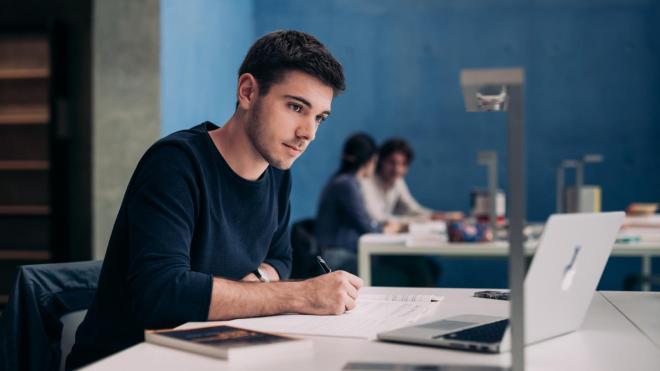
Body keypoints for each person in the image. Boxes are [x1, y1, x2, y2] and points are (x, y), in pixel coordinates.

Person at [67, 30, 363, 369]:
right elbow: (162, 293)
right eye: (296, 107)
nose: (308, 132)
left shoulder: (278, 171)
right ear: (248, 91)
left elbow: (281, 259)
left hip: (212, 352)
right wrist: (302, 294)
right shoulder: (176, 163)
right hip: (132, 360)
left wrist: (244, 288)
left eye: (319, 118)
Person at [315, 133, 401, 273]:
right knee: (403, 273)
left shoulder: (344, 181)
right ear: (369, 160)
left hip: (340, 253)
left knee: (412, 266)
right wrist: (388, 229)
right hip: (337, 257)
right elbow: (366, 225)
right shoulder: (346, 184)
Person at [360, 138, 462, 224]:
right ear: (380, 160)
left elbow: (412, 209)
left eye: (403, 164)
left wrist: (442, 217)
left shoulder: (397, 181)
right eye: (392, 162)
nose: (397, 169)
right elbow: (377, 219)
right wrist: (420, 220)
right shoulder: (366, 181)